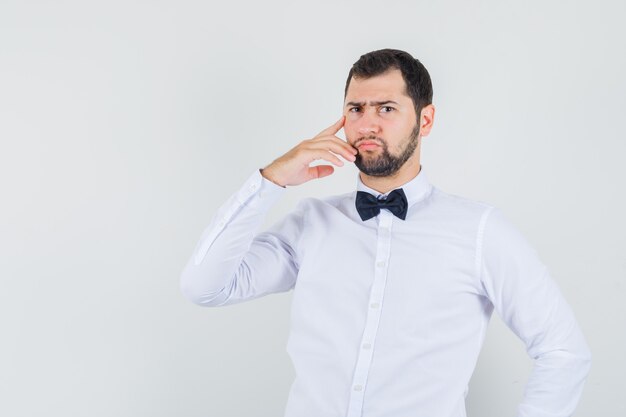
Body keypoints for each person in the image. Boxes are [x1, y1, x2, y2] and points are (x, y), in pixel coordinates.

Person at [180, 49, 591, 417]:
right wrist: (271, 180)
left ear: (424, 120)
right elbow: (206, 287)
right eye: (355, 109)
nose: (367, 124)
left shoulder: (480, 230)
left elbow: (563, 351)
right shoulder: (311, 223)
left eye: (386, 108)